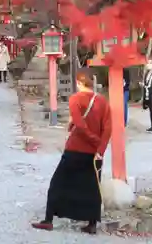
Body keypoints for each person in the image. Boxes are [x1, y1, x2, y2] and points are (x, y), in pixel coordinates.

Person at [32, 71, 112, 235]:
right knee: (91, 187)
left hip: (75, 148)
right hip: (93, 154)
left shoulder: (75, 99)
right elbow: (108, 128)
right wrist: (100, 149)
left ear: (79, 83)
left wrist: (94, 140)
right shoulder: (103, 101)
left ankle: (48, 220)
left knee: (58, 183)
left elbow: (80, 125)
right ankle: (91, 224)